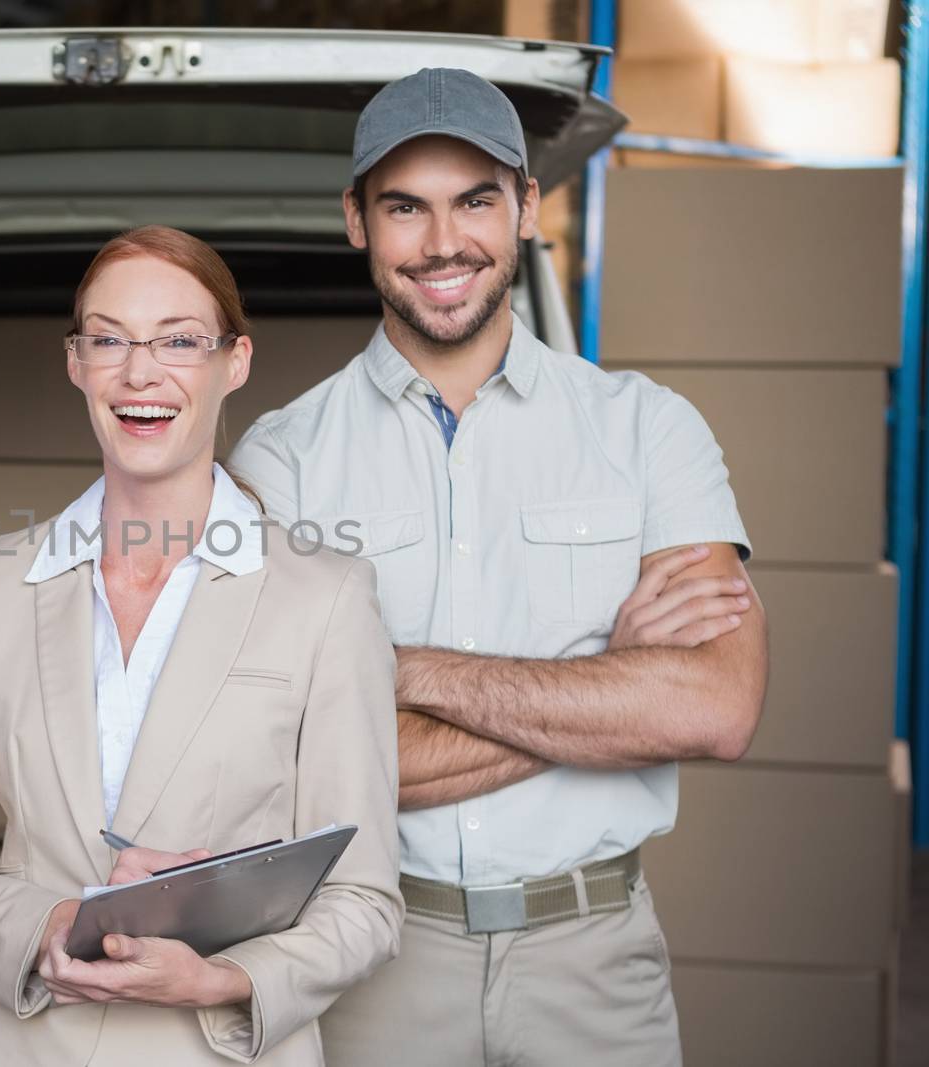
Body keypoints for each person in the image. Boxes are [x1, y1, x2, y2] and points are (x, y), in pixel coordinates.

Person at [227, 69, 769, 1066]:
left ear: (525, 204)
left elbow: (713, 708)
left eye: (474, 199)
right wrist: (607, 685)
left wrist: (394, 668)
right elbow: (285, 759)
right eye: (405, 207)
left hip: (594, 960)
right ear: (356, 219)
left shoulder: (648, 429)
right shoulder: (280, 459)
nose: (442, 243)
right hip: (369, 957)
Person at [0, 225, 402, 1065]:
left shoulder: (326, 596)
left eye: (180, 341)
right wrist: (51, 923)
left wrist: (225, 978)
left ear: (235, 362)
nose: (140, 371)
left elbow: (366, 902)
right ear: (75, 361)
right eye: (109, 339)